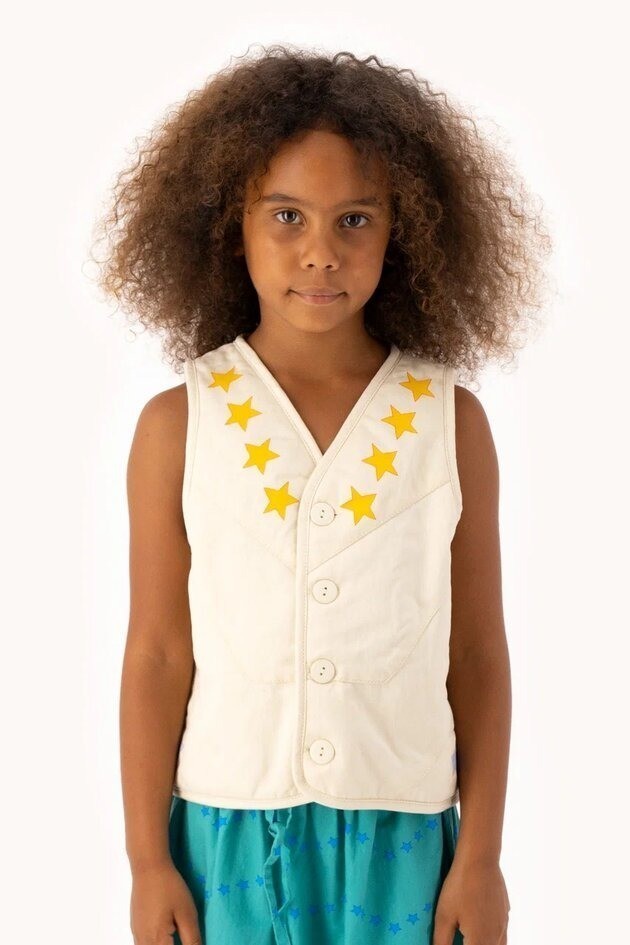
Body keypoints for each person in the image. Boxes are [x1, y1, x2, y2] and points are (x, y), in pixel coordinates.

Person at [92, 44, 551, 945]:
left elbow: (476, 653)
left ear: (401, 230)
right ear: (231, 226)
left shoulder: (449, 421)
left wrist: (483, 856)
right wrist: (147, 861)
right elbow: (156, 652)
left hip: (404, 839)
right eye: (288, 216)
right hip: (224, 836)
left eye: (354, 220)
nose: (320, 252)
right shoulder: (178, 423)